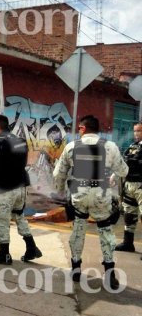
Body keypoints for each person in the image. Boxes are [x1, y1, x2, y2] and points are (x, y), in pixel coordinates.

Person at [53, 115, 128, 290]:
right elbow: (123, 171)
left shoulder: (71, 147)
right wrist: (113, 177)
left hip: (79, 194)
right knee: (105, 230)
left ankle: (76, 269)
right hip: (101, 194)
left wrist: (61, 191)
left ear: (83, 129)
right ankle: (110, 274)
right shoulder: (110, 147)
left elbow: (58, 174)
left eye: (79, 128)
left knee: (79, 228)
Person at [0, 114, 42, 265]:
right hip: (20, 187)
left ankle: (4, 254)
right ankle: (31, 247)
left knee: (1, 220)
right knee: (19, 216)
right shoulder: (20, 141)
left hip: (4, 190)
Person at [114, 122, 142, 256]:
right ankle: (128, 243)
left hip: (141, 185)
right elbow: (124, 162)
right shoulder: (132, 146)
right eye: (135, 131)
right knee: (129, 214)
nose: (136, 133)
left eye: (139, 131)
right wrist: (115, 174)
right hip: (130, 184)